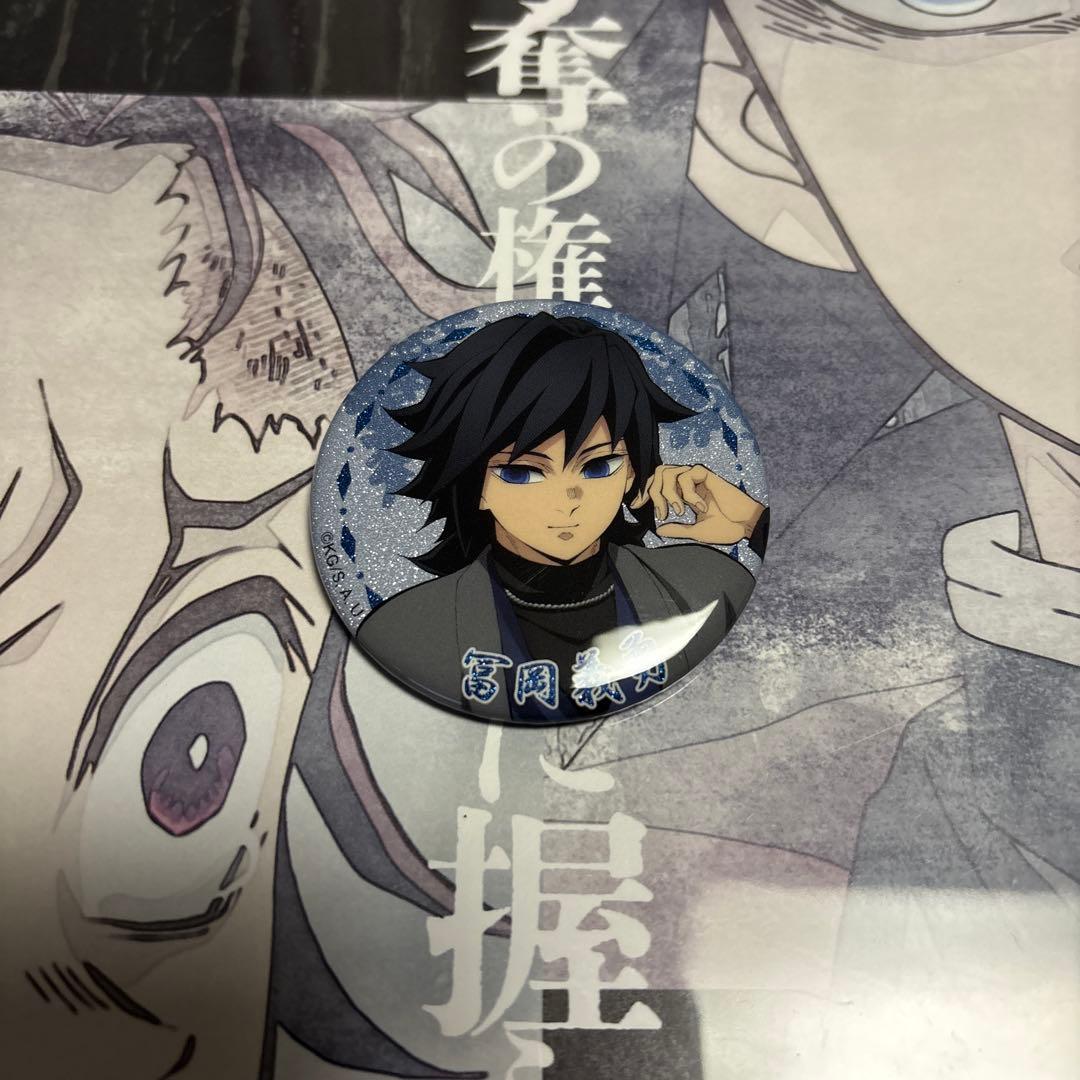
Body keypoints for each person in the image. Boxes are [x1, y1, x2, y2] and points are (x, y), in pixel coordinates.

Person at [357, 312, 768, 722]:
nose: (566, 501)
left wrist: (752, 522)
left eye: (598, 466)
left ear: (631, 473)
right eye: (522, 472)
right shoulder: (406, 628)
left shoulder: (712, 584)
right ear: (475, 485)